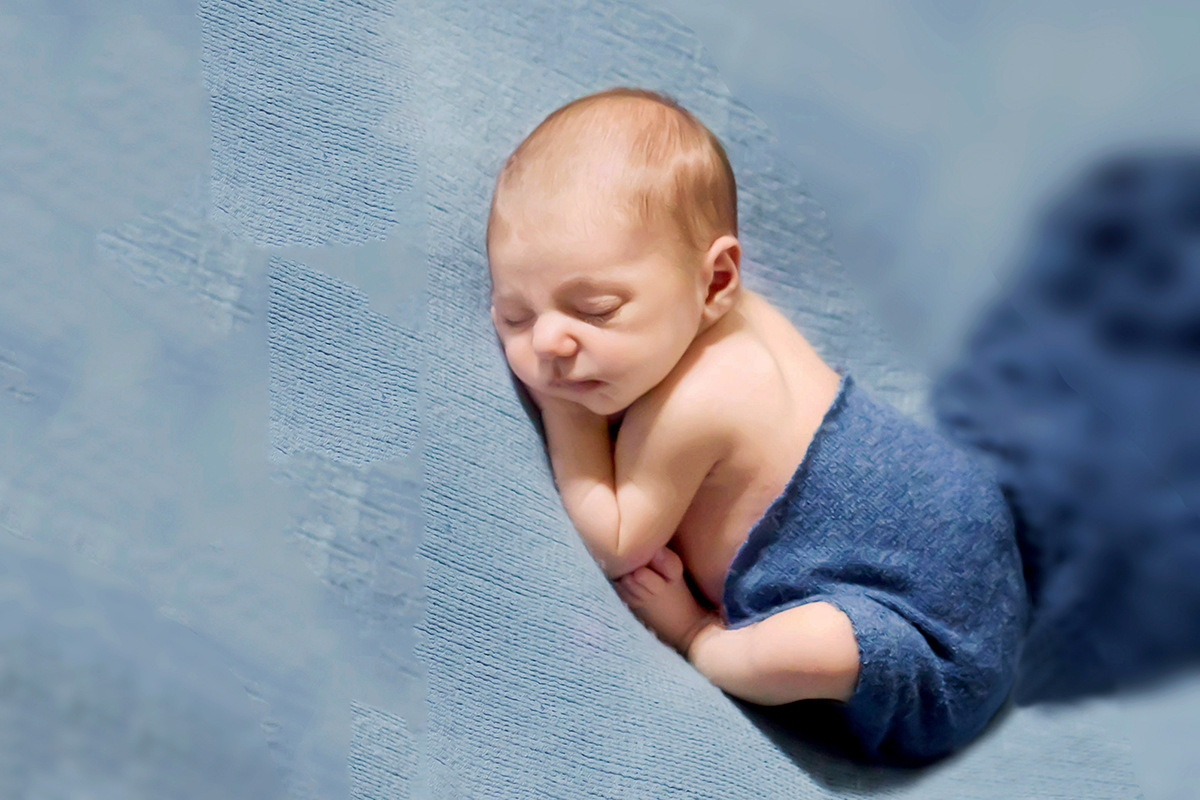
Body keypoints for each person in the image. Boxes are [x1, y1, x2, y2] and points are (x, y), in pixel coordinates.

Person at [485, 87, 1027, 765]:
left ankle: (708, 646)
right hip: (966, 536)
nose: (550, 347)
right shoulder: (731, 312)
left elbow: (619, 539)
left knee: (823, 646)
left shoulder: (701, 397)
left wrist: (564, 414)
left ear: (714, 281)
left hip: (934, 653)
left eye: (593, 310)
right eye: (514, 315)